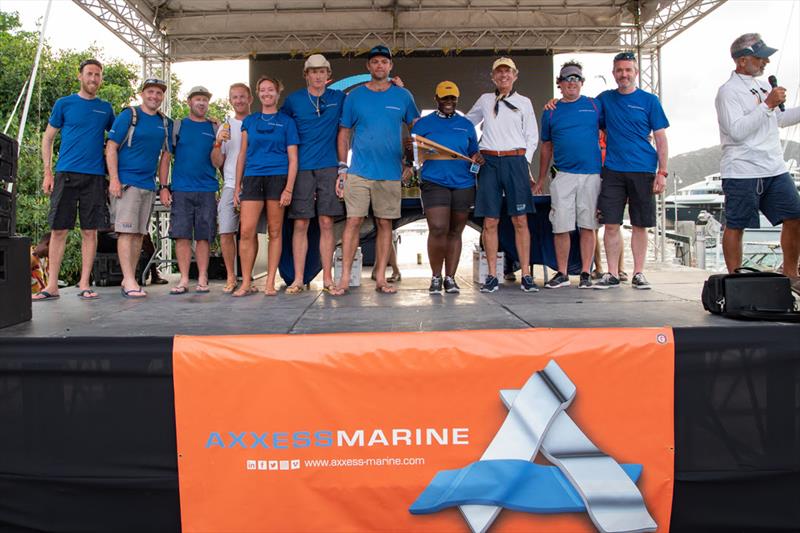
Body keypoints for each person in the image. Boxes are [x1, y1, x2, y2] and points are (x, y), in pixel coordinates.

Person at [330, 45, 420, 295]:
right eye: (375, 62)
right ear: (368, 67)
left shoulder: (403, 96)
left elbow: (417, 131)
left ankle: (381, 277)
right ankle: (345, 278)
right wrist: (342, 166)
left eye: (384, 62)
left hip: (390, 172)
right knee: (353, 221)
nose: (380, 65)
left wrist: (412, 164)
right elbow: (344, 132)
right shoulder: (355, 97)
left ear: (390, 66)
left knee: (384, 224)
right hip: (358, 171)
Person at [716, 33, 800, 291]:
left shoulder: (763, 86)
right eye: (759, 57)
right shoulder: (727, 92)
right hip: (742, 169)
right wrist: (767, 105)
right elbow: (737, 131)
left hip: (774, 167)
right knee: (737, 224)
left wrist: (776, 107)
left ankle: (790, 273)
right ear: (742, 61)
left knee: (795, 216)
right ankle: (735, 280)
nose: (765, 62)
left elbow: (778, 120)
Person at [36, 58, 114, 301]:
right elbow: (48, 138)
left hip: (95, 177)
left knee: (90, 232)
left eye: (97, 75)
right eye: (89, 74)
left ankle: (84, 283)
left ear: (101, 79)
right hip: (66, 174)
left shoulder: (106, 109)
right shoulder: (64, 104)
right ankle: (51, 286)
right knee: (59, 230)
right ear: (80, 76)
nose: (93, 79)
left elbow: (115, 142)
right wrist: (47, 172)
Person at [592, 51, 669, 290]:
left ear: (635, 73)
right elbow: (582, 112)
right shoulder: (604, 98)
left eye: (628, 70)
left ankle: (638, 273)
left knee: (639, 224)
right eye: (619, 70)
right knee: (612, 224)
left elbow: (661, 138)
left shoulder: (650, 101)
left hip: (644, 169)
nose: (623, 74)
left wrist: (662, 172)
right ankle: (612, 274)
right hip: (613, 169)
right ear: (614, 73)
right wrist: (554, 103)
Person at [466, 57, 539, 293]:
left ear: (515, 75)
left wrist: (522, 161)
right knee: (490, 221)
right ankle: (491, 275)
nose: (503, 76)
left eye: (508, 72)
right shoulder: (485, 100)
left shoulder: (524, 102)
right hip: (489, 162)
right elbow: (467, 125)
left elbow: (532, 136)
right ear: (493, 77)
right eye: (499, 72)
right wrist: (473, 151)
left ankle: (526, 274)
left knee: (520, 220)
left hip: (515, 161)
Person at [279, 54, 346, 293]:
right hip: (301, 168)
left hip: (328, 166)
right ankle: (298, 279)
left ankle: (328, 278)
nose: (318, 76)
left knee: (327, 222)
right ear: (306, 75)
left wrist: (394, 84)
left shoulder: (339, 98)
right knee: (301, 223)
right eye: (313, 71)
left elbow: (369, 95)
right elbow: (281, 131)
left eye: (322, 71)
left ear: (328, 75)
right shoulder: (293, 100)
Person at [409, 81, 483, 294]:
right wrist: (409, 151)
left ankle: (450, 278)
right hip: (434, 181)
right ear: (436, 99)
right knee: (438, 228)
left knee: (455, 231)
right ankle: (435, 277)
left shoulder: (466, 124)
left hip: (464, 182)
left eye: (452, 98)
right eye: (444, 98)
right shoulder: (423, 124)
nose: (448, 102)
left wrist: (477, 158)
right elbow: (414, 156)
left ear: (457, 100)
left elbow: (473, 153)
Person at [534, 62, 602, 289]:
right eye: (567, 79)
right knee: (560, 225)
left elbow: (615, 129)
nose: (572, 82)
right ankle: (562, 273)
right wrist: (540, 178)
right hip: (563, 175)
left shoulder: (595, 105)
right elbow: (546, 146)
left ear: (582, 82)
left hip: (592, 174)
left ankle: (585, 273)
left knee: (588, 225)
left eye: (576, 78)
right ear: (559, 84)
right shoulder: (550, 111)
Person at [106, 78, 172, 298]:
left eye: (159, 93)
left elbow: (165, 156)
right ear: (142, 93)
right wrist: (114, 179)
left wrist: (163, 186)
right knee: (126, 232)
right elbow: (111, 147)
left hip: (148, 184)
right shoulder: (129, 115)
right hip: (127, 183)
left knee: (138, 235)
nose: (154, 96)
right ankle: (130, 279)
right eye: (150, 92)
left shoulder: (164, 122)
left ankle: (130, 278)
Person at [234, 76, 299, 296]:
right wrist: (236, 188)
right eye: (262, 90)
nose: (267, 93)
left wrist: (288, 188)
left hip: (278, 177)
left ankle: (270, 282)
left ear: (278, 93)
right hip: (252, 178)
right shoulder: (250, 121)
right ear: (258, 94)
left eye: (271, 90)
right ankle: (246, 282)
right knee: (246, 231)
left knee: (275, 231)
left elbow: (293, 159)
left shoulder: (287, 122)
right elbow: (242, 154)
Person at [159, 86, 220, 295]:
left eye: (205, 99)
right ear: (189, 102)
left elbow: (220, 160)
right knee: (181, 236)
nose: (201, 103)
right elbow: (166, 158)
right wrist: (164, 187)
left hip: (207, 189)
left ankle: (202, 277)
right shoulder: (177, 126)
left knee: (204, 236)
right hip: (181, 190)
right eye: (197, 99)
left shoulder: (214, 128)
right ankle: (184, 279)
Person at [211, 82, 253, 294]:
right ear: (230, 101)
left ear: (250, 99)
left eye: (242, 96)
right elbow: (217, 161)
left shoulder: (256, 122)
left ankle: (248, 277)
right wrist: (217, 143)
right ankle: (230, 276)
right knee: (226, 232)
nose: (239, 100)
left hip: (254, 185)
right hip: (229, 185)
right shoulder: (225, 126)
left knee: (248, 233)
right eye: (234, 97)